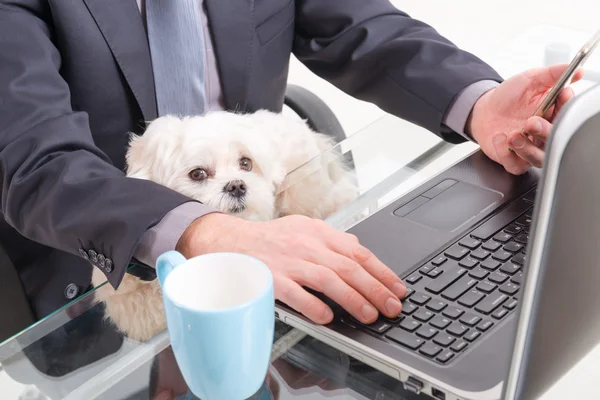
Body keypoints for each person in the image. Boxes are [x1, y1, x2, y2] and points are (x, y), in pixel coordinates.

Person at [0, 0, 582, 337]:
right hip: (100, 284)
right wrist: (210, 232)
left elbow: (364, 29)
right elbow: (37, 159)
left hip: (277, 239)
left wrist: (481, 103)